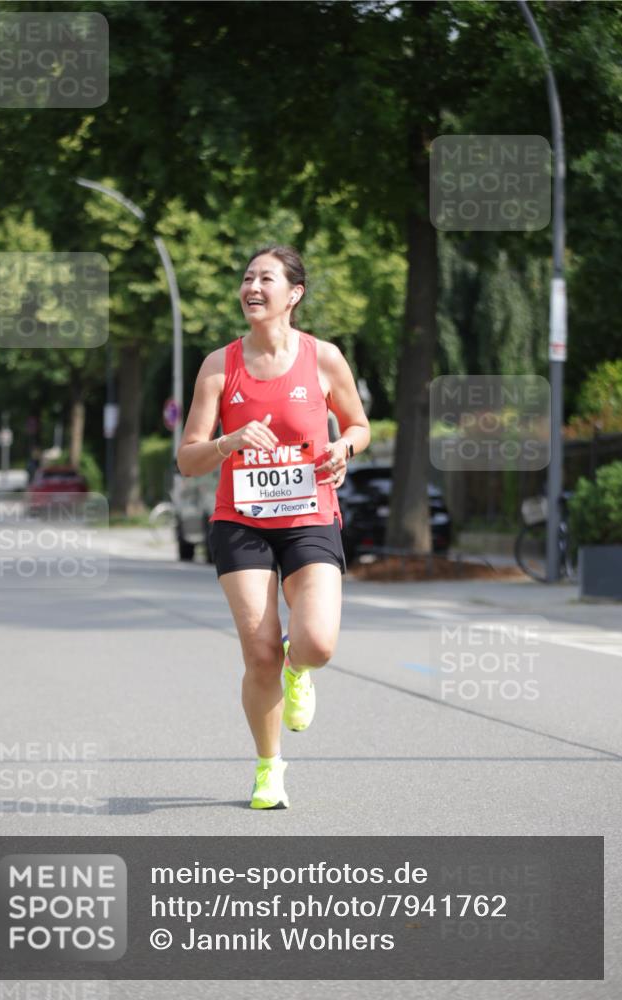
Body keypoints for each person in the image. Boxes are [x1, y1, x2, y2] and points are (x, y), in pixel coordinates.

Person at [176, 245, 370, 809]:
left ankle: (299, 670)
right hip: (241, 521)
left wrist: (343, 448)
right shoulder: (219, 366)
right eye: (246, 279)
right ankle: (269, 768)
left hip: (310, 514)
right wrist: (228, 442)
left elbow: (360, 425)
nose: (252, 288)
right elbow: (188, 458)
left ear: (295, 294)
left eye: (266, 279)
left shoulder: (324, 358)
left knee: (317, 643)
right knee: (258, 652)